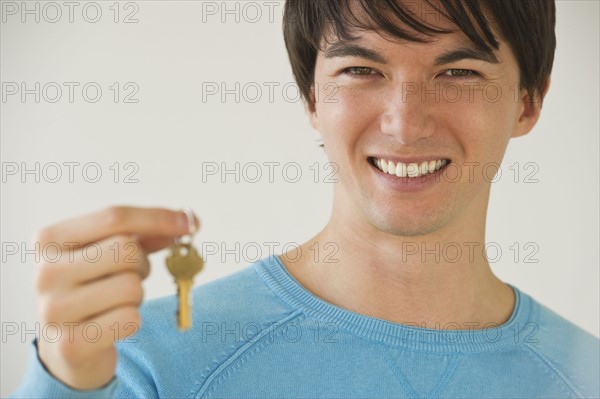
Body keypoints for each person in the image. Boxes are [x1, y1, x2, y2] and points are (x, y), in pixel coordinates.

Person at [11, 0, 600, 397]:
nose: (404, 123)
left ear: (529, 100)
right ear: (312, 99)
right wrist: (64, 385)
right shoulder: (138, 365)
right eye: (361, 69)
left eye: (460, 73)